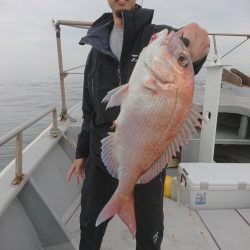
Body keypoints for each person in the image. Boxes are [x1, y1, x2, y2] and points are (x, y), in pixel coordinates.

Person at [66, 1, 210, 249]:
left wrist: (197, 49)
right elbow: (89, 105)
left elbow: (189, 58)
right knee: (89, 225)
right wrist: (81, 153)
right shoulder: (97, 47)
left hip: (147, 161)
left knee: (149, 234)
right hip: (102, 154)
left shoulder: (157, 36)